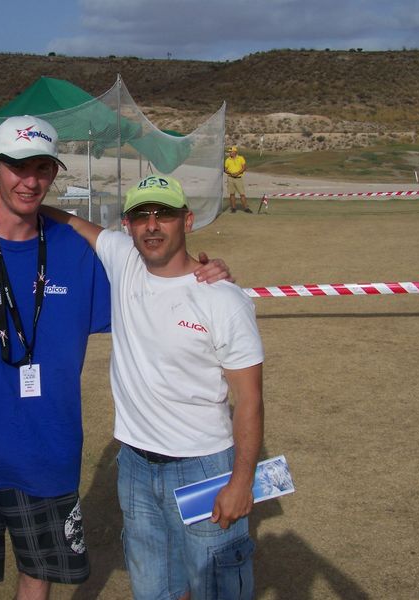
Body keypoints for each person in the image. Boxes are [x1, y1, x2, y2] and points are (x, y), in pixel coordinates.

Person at [0, 116, 231, 600]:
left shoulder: (75, 251)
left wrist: (206, 274)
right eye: (17, 167)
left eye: (42, 168)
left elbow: (154, 284)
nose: (30, 180)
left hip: (47, 455)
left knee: (37, 575)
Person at [39, 174, 264, 599]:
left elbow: (250, 400)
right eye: (141, 216)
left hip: (204, 468)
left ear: (188, 221)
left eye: (164, 214)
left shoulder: (224, 300)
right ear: (127, 225)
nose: (152, 225)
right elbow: (68, 221)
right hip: (136, 467)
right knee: (155, 591)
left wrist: (240, 482)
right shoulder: (123, 257)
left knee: (216, 588)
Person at [224, 145, 252, 213]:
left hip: (238, 178)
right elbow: (225, 169)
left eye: (231, 152)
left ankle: (246, 208)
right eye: (229, 152)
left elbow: (244, 167)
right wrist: (230, 173)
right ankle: (233, 208)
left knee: (242, 194)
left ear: (235, 152)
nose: (230, 153)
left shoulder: (241, 158)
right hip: (230, 178)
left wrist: (237, 173)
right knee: (232, 194)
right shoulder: (227, 160)